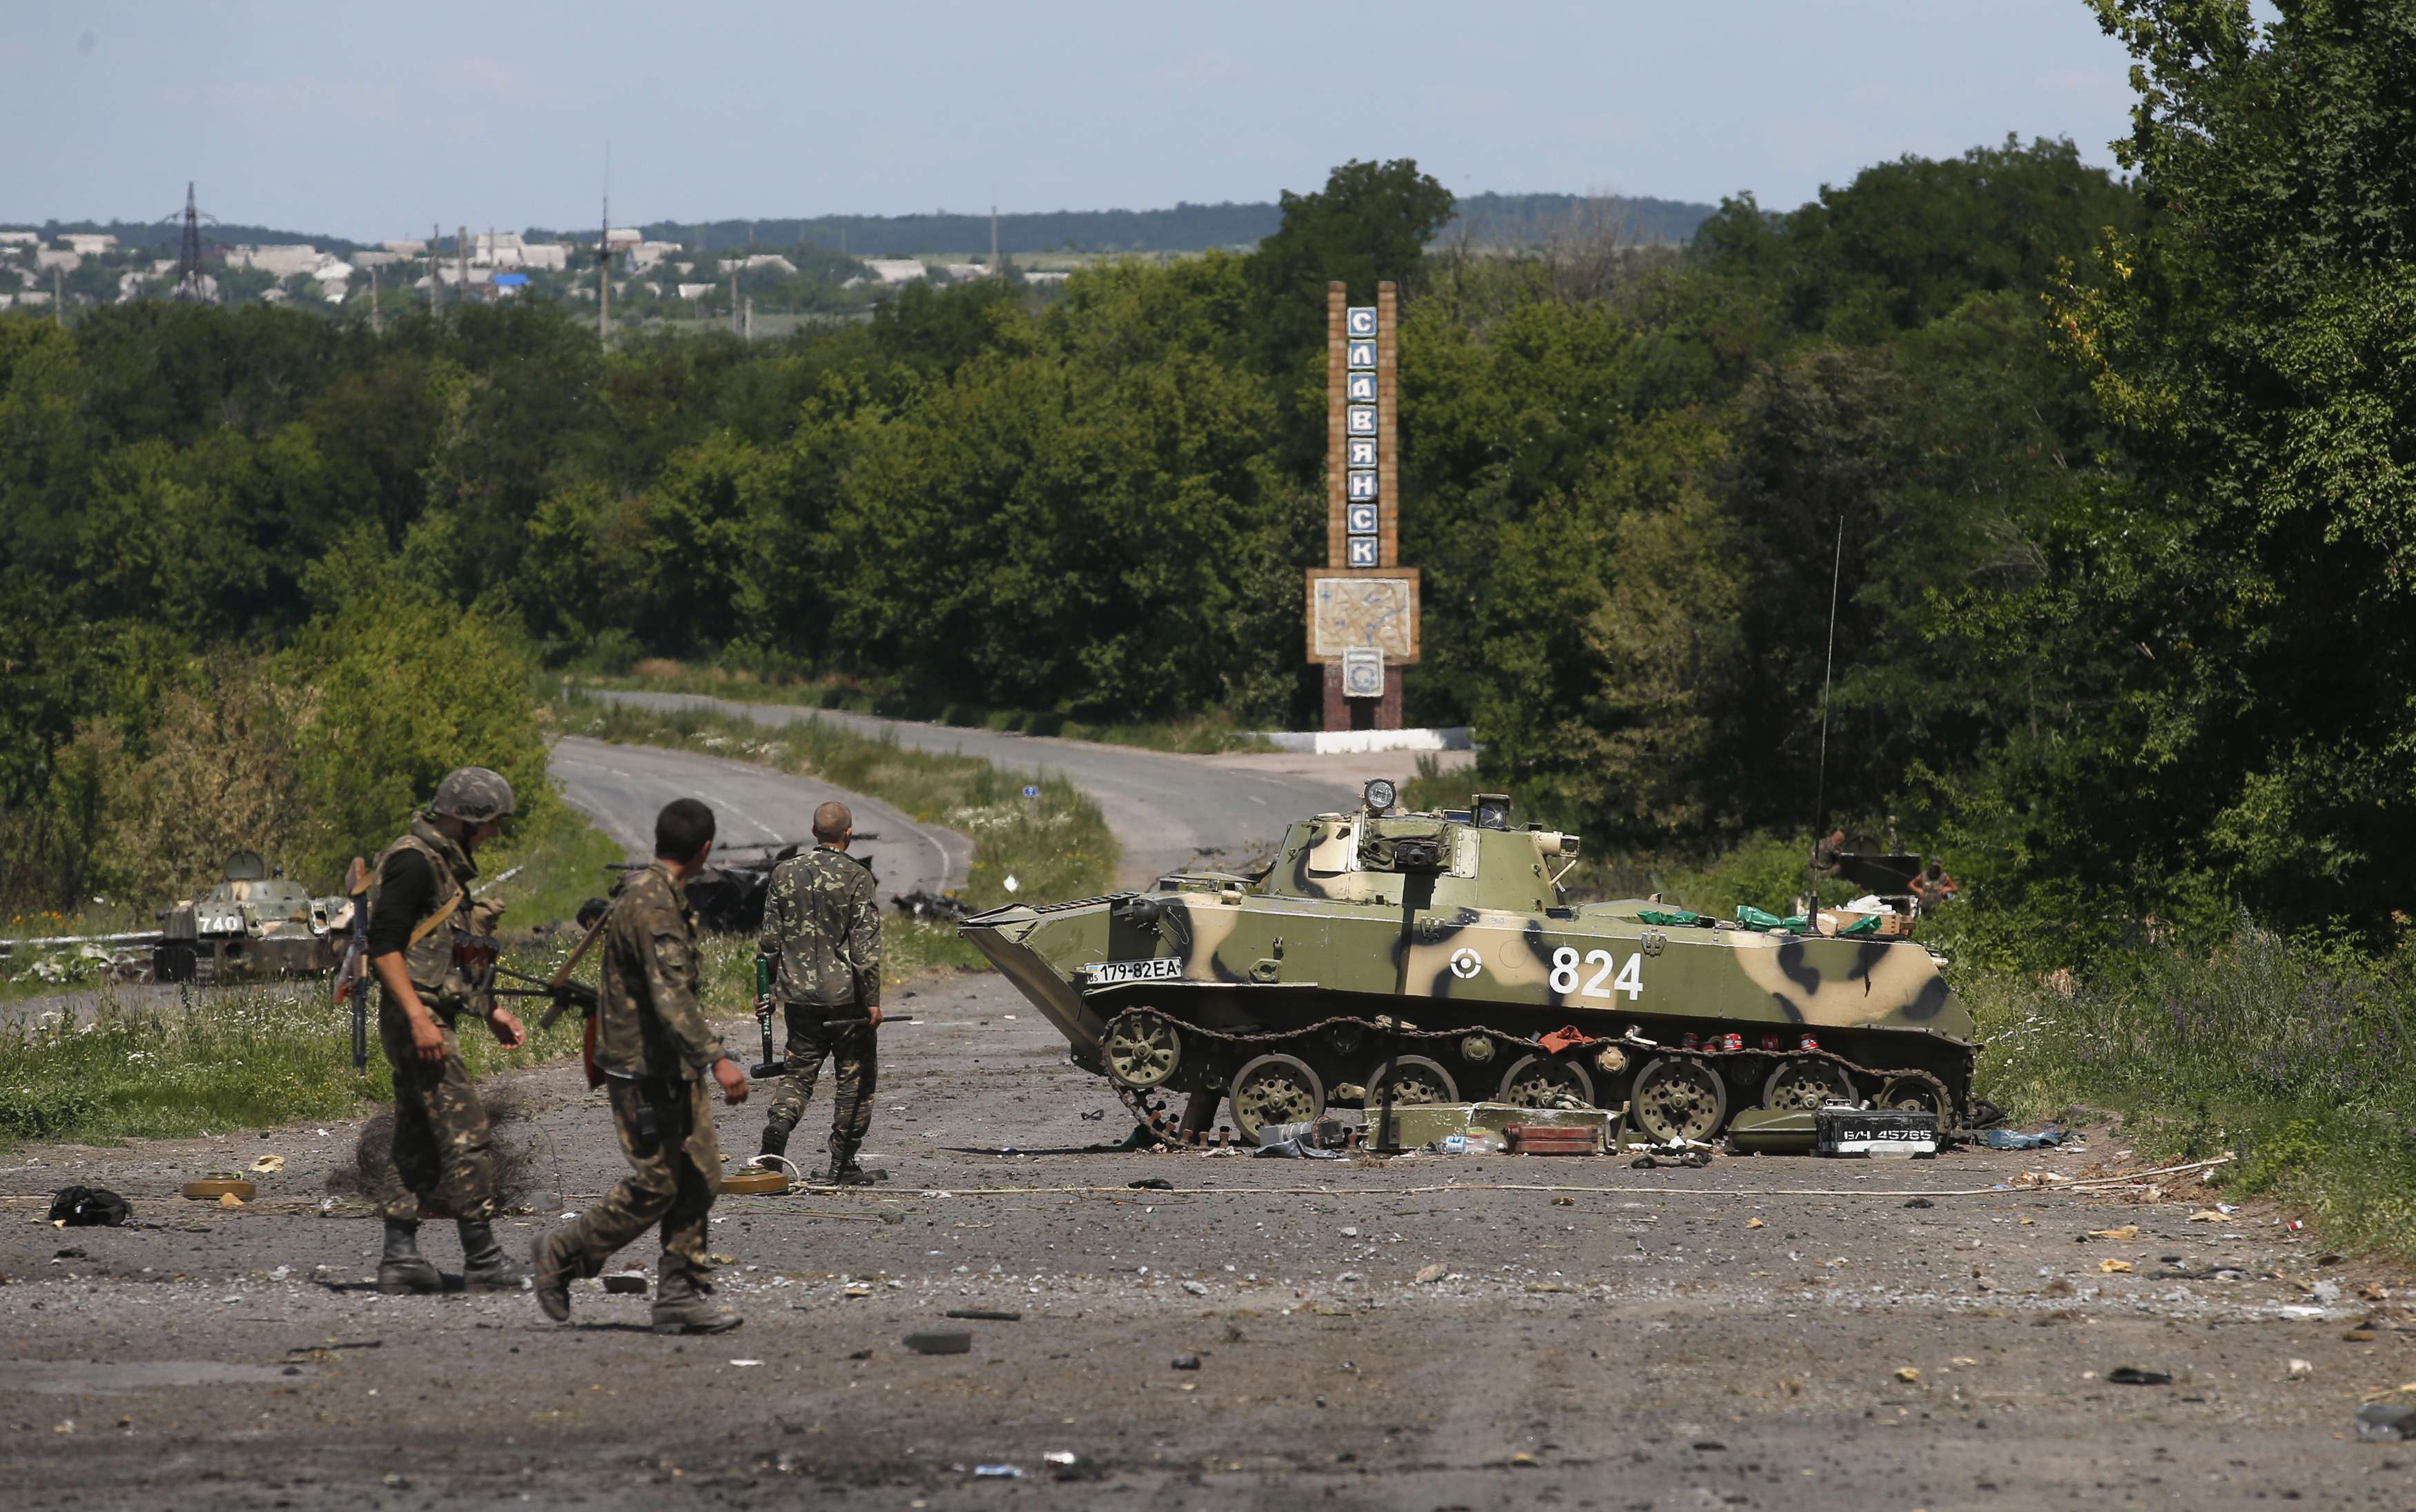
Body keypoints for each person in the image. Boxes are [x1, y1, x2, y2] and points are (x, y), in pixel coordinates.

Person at [534, 798, 751, 1334]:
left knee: (700, 1175)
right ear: (704, 851)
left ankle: (680, 1292)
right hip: (644, 1069)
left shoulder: (655, 893)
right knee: (658, 1183)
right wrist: (717, 1058)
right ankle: (565, 1249)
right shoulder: (653, 904)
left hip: (670, 1064)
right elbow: (670, 994)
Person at [364, 765, 530, 1294]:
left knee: (414, 1135)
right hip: (417, 1018)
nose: (494, 834)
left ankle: (401, 1257)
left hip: (423, 1013)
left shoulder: (438, 863)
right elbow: (385, 948)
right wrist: (419, 1019)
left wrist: (491, 1010)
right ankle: (482, 1255)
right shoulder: (415, 861)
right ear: (465, 820)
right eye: (491, 824)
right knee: (468, 1133)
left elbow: (440, 958)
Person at [754, 799, 884, 1185]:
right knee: (854, 1079)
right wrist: (873, 1000)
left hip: (799, 998)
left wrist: (766, 990)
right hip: (846, 1000)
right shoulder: (857, 877)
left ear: (814, 833)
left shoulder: (784, 873)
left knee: (798, 1074)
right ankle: (842, 1164)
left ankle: (778, 1130)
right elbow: (865, 949)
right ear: (849, 833)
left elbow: (769, 941)